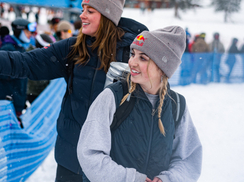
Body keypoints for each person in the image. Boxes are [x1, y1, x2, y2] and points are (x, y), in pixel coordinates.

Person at [0, 0, 147, 180]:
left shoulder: (135, 55)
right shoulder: (74, 49)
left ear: (106, 16)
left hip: (113, 164)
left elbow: (154, 108)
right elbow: (26, 62)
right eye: (82, 9)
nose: (82, 15)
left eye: (90, 11)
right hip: (71, 159)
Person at [76, 26, 202, 182]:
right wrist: (129, 178)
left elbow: (188, 158)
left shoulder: (177, 106)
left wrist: (168, 179)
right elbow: (90, 154)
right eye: (133, 54)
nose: (131, 62)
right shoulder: (112, 97)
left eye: (142, 58)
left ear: (162, 68)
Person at [0, 18, 33, 116]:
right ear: (19, 31)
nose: (30, 34)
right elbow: (0, 72)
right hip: (7, 100)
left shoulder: (20, 47)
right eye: (27, 31)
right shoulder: (8, 48)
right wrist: (21, 70)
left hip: (16, 100)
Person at [27, 34, 55, 104]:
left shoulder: (41, 55)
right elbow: (36, 78)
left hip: (41, 91)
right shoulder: (33, 56)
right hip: (34, 92)